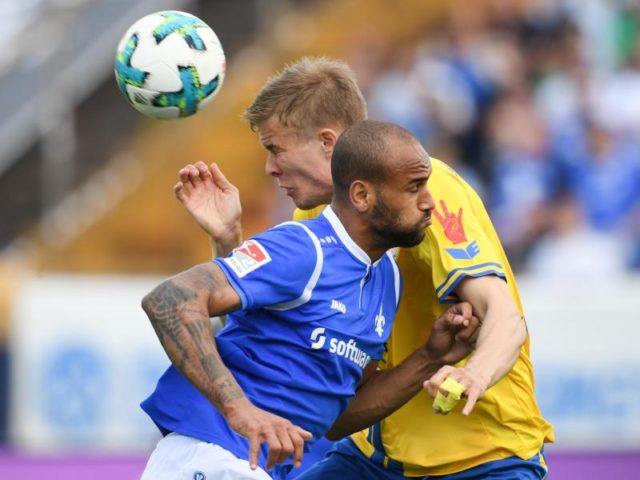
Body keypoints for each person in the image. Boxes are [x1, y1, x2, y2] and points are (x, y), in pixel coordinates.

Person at [176, 57, 554, 479]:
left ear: (326, 142)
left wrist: (474, 376)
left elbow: (504, 316)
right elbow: (262, 337)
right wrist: (227, 240)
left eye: (275, 148)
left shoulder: (424, 189)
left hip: (484, 457)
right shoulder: (312, 224)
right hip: (374, 458)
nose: (269, 167)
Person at [141, 120, 479, 480]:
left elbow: (340, 417)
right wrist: (239, 409)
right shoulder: (305, 248)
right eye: (414, 188)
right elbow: (171, 299)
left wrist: (431, 357)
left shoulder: (387, 279)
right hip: (212, 454)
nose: (429, 202)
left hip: (257, 467)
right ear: (362, 195)